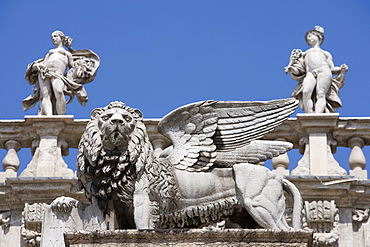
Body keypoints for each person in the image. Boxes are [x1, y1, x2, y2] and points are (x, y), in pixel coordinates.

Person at [23, 30, 100, 115]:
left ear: (61, 38)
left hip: (58, 74)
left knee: (59, 91)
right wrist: (37, 66)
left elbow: (73, 67)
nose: (53, 38)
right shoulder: (50, 52)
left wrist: (82, 66)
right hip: (44, 72)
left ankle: (61, 115)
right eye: (52, 37)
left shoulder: (67, 54)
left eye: (55, 36)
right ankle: (49, 117)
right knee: (45, 95)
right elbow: (41, 63)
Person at [285, 26, 348, 113]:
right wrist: (292, 70)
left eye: (310, 36)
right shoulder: (304, 54)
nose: (308, 39)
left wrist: (341, 70)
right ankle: (310, 114)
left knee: (321, 93)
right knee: (306, 92)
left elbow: (332, 68)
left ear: (318, 37)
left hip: (324, 71)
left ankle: (318, 115)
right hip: (310, 73)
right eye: (307, 38)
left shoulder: (325, 53)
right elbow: (300, 70)